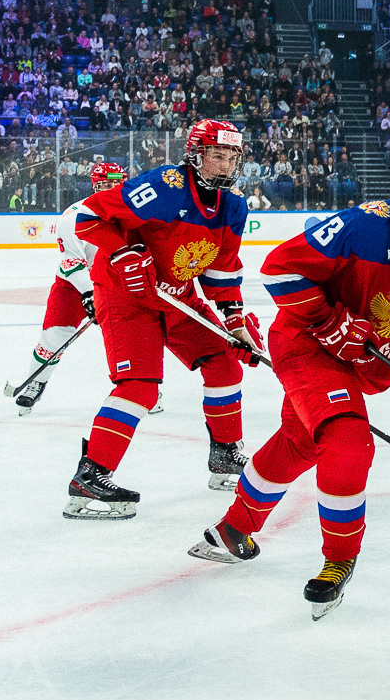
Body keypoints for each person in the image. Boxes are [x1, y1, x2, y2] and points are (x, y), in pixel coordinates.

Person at [191, 145, 390, 617]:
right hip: (306, 343)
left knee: (299, 442)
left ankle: (233, 529)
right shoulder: (365, 225)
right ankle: (339, 559)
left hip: (363, 365)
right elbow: (281, 268)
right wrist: (328, 319)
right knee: (348, 442)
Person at [62, 119, 255, 520]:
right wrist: (121, 252)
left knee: (223, 365)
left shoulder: (234, 205)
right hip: (126, 296)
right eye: (217, 155)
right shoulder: (164, 187)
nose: (225, 165)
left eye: (232, 157)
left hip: (179, 297)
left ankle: (224, 456)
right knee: (140, 387)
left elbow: (221, 268)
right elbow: (87, 217)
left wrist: (234, 319)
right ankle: (91, 476)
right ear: (196, 154)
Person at [4, 159, 126, 413]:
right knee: (54, 336)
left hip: (119, 284)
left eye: (117, 184)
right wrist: (90, 293)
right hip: (74, 284)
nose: (112, 190)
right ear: (95, 186)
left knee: (131, 339)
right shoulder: (73, 217)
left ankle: (143, 388)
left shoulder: (134, 215)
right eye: (106, 185)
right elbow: (71, 262)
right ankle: (36, 382)